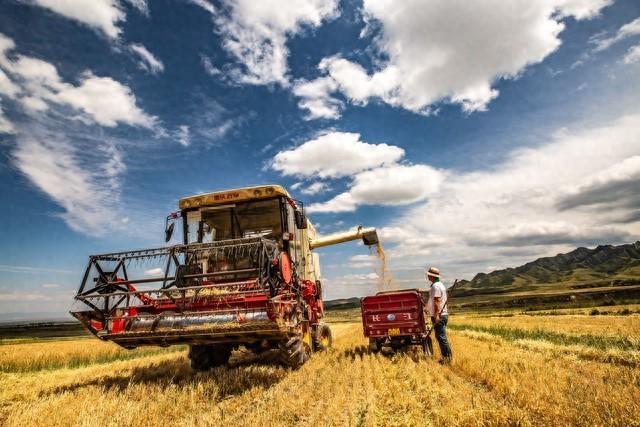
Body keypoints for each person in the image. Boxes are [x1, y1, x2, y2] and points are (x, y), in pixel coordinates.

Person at [426, 266, 452, 363]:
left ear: (432, 276)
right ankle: (446, 357)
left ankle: (447, 359)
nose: (428, 276)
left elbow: (437, 301)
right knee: (440, 337)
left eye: (429, 274)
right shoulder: (440, 285)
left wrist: (436, 316)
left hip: (439, 315)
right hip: (443, 314)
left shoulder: (435, 286)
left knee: (441, 337)